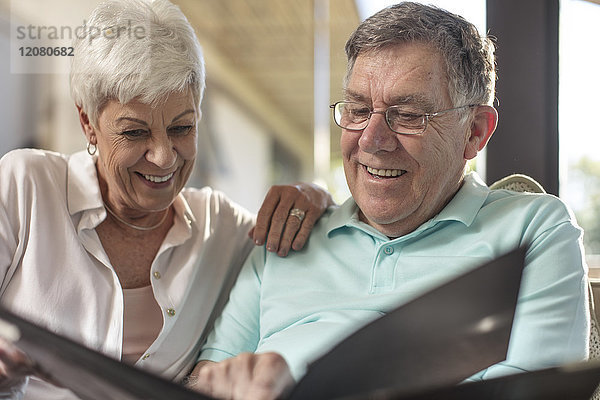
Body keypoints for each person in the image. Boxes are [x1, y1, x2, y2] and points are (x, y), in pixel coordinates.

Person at [186, 2, 590, 399]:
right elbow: (206, 380)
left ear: (475, 132)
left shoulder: (534, 230)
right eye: (359, 109)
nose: (371, 140)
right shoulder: (288, 236)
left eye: (409, 115)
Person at [0, 0, 334, 398]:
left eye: (181, 128)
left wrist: (313, 195)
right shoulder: (25, 187)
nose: (163, 156)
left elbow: (312, 254)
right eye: (135, 132)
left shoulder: (220, 227)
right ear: (88, 123)